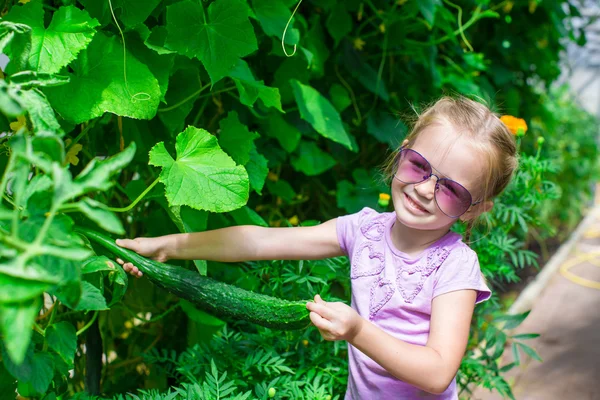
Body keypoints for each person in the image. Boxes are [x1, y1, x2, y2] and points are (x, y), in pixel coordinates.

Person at [115, 96, 518, 399]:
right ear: (403, 150)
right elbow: (262, 240)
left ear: (474, 210)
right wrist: (170, 246)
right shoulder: (364, 231)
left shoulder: (455, 267)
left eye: (451, 190)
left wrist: (358, 330)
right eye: (418, 166)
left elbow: (437, 371)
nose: (426, 190)